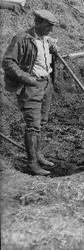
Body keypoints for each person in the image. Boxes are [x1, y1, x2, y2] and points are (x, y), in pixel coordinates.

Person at [2, 10, 60, 176]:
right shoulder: (22, 39)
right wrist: (26, 78)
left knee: (42, 122)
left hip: (46, 83)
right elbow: (7, 62)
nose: (51, 29)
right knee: (33, 125)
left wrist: (53, 51)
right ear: (38, 23)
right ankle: (32, 163)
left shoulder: (46, 39)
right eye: (49, 26)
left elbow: (45, 56)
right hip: (31, 85)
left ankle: (38, 154)